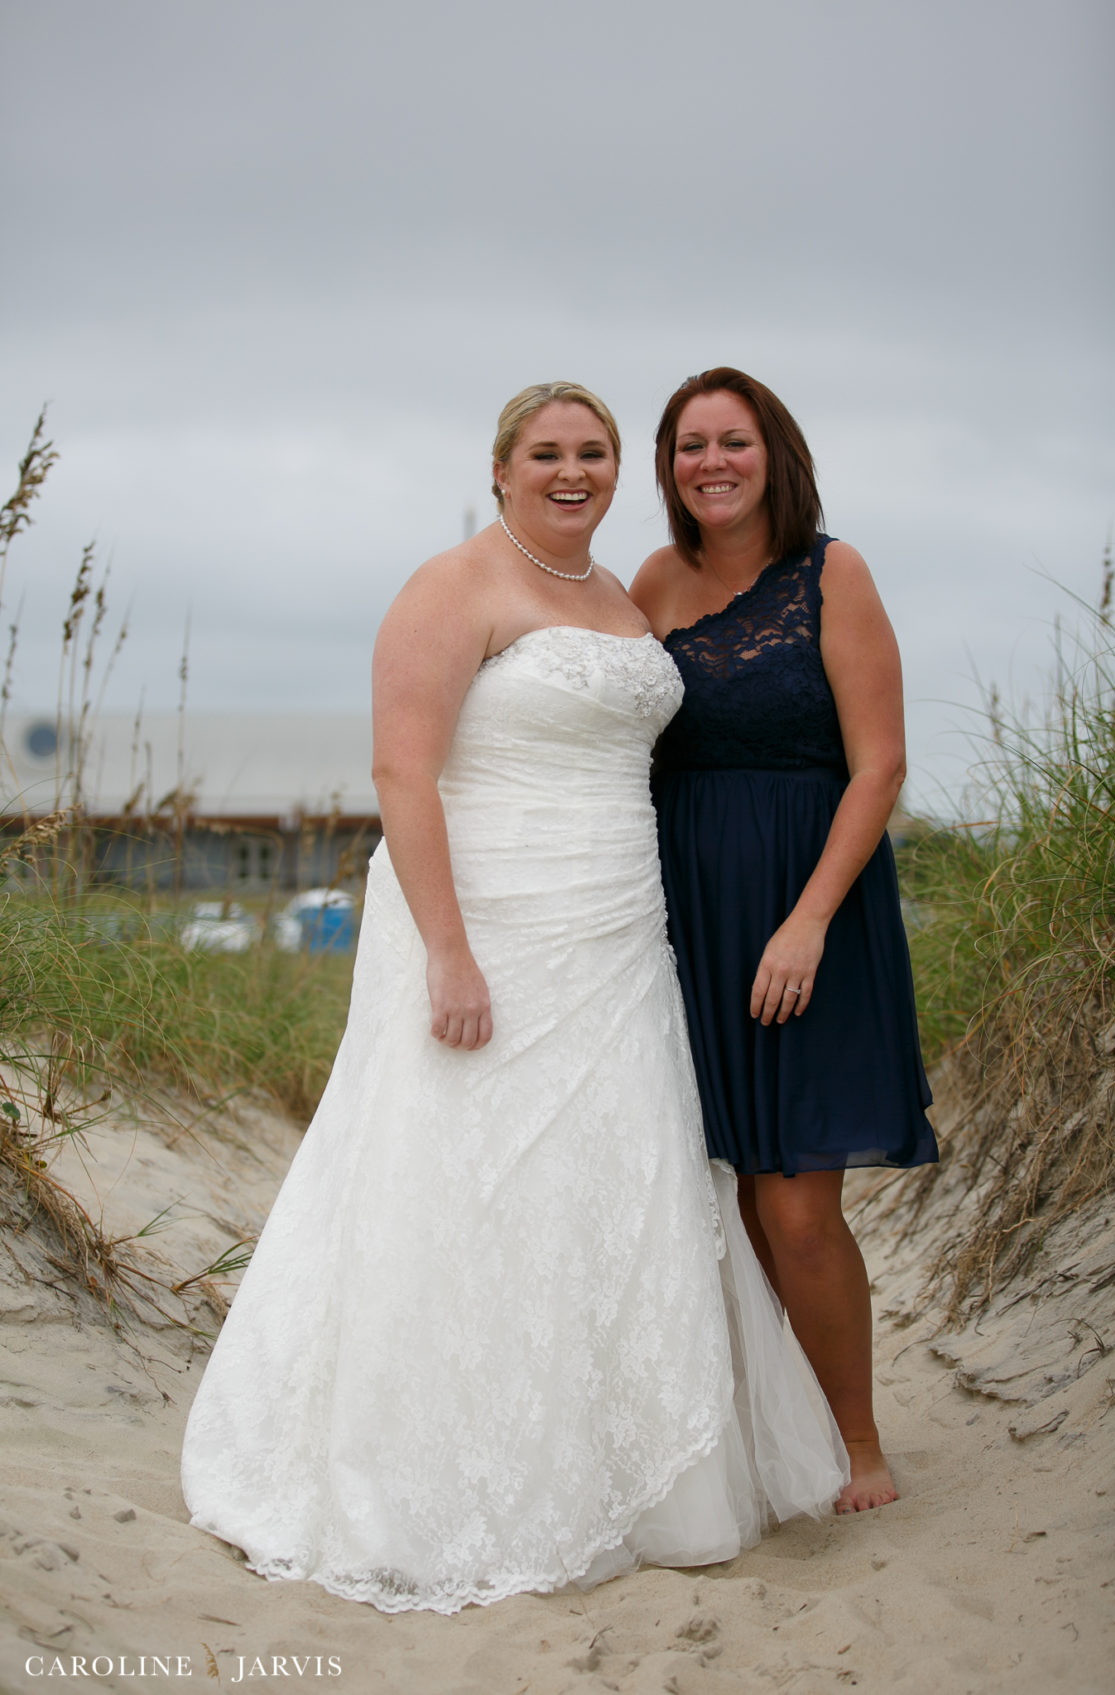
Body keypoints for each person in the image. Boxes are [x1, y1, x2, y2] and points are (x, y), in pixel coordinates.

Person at [180, 381, 847, 1615]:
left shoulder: (620, 597)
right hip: (491, 922)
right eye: (546, 453)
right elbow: (402, 771)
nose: (571, 471)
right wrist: (446, 950)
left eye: (593, 451)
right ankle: (438, 1474)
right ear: (499, 469)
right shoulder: (451, 585)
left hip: (618, 931)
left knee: (615, 1181)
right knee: (468, 1177)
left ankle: (627, 1474)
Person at [631, 367, 938, 1516]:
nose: (710, 462)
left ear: (775, 456)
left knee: (798, 1206)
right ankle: (791, 1428)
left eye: (732, 441)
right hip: (689, 919)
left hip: (812, 913)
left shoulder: (830, 573)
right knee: (742, 1194)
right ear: (668, 466)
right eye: (689, 445)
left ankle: (857, 1441)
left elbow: (879, 765)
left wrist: (805, 922)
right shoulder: (653, 582)